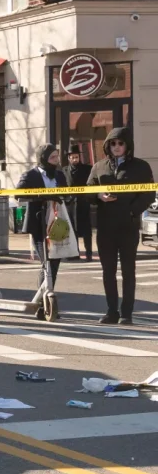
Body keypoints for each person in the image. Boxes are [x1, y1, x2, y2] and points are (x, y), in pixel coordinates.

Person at [86, 127, 156, 325]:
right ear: (108, 146)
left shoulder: (141, 167)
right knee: (108, 270)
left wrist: (132, 211)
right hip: (105, 227)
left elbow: (148, 193)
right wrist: (99, 195)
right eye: (113, 144)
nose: (117, 147)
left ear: (127, 145)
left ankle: (126, 313)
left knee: (128, 271)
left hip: (128, 226)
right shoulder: (99, 167)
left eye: (120, 143)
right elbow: (88, 191)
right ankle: (111, 311)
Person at [16, 144, 70, 320]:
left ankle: (45, 301)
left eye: (56, 156)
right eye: (52, 157)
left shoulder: (59, 175)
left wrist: (64, 197)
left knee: (54, 263)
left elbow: (68, 193)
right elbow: (19, 193)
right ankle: (43, 304)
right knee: (46, 262)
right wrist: (44, 197)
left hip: (57, 225)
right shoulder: (31, 175)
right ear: (43, 158)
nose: (56, 160)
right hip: (39, 225)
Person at [65, 144, 94, 261]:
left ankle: (89, 253)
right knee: (72, 230)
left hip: (83, 203)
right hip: (70, 204)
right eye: (72, 157)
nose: (74, 159)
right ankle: (74, 252)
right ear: (69, 158)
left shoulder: (87, 169)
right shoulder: (64, 170)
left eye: (76, 157)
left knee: (86, 230)